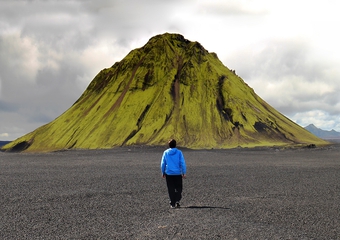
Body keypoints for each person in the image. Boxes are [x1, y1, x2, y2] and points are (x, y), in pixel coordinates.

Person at [160, 139, 187, 209]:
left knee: (171, 188)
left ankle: (172, 203)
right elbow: (182, 163)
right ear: (175, 144)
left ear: (169, 145)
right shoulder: (179, 152)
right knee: (179, 188)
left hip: (169, 173)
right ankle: (177, 200)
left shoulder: (166, 152)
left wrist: (163, 172)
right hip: (177, 173)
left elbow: (163, 163)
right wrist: (184, 172)